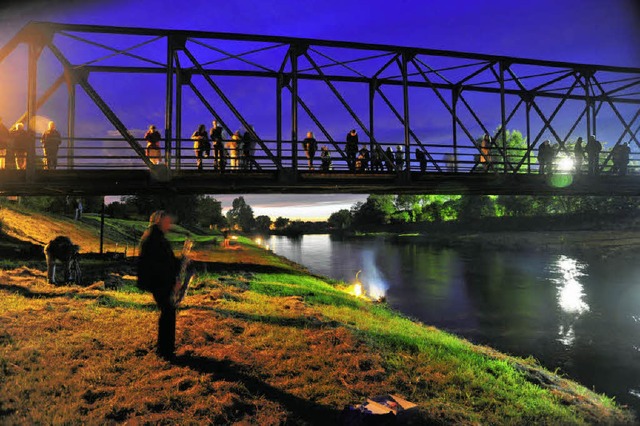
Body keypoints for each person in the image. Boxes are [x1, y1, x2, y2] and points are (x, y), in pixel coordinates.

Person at [138, 211, 181, 360]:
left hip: (161, 281)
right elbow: (159, 264)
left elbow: (167, 260)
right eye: (167, 222)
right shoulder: (154, 239)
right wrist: (172, 277)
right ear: (159, 221)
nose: (169, 225)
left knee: (168, 312)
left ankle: (166, 349)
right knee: (168, 311)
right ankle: (165, 351)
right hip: (159, 281)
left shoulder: (157, 237)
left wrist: (180, 263)